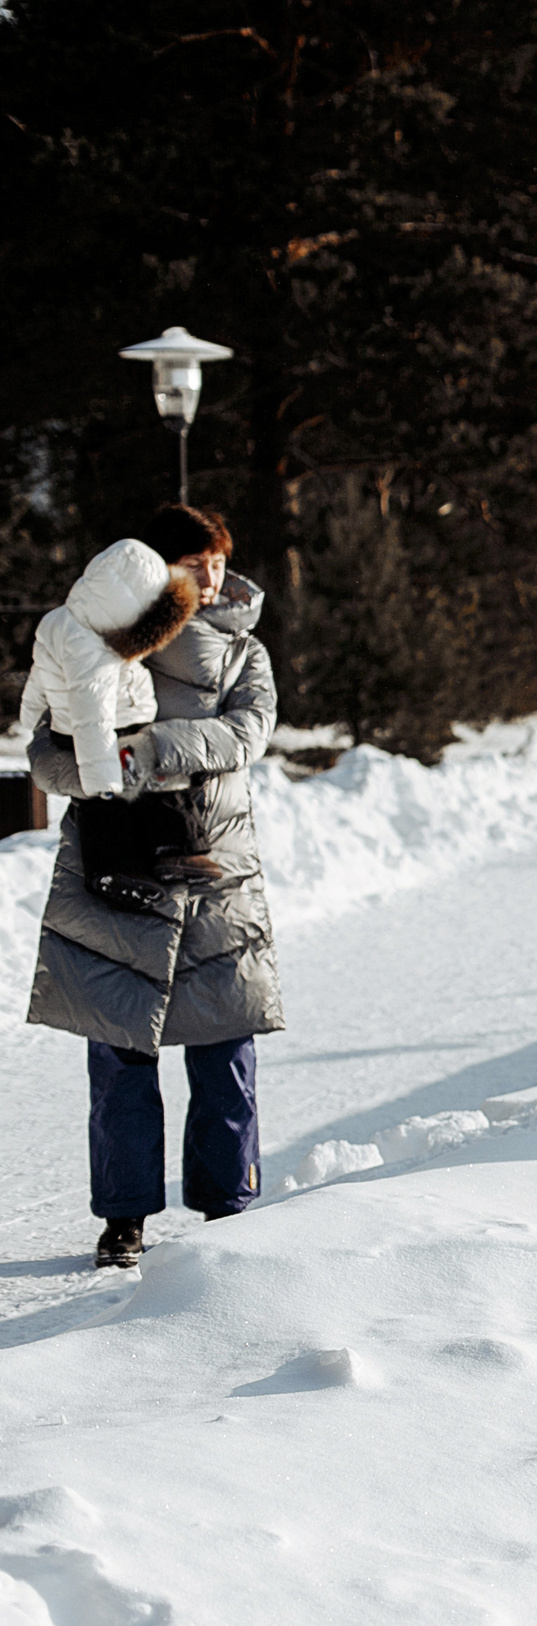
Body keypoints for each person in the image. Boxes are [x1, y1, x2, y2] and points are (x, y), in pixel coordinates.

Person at [23, 504, 285, 1269]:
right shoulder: (96, 636)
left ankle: (228, 1207)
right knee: (118, 1059)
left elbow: (250, 732)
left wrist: (145, 751)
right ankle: (124, 1217)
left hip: (213, 870)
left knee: (224, 1053)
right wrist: (98, 774)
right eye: (194, 562)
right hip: (112, 869)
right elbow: (44, 752)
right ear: (155, 568)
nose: (210, 577)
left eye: (217, 561)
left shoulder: (243, 650)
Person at [17, 537, 202, 911]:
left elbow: (39, 676)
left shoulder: (60, 621)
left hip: (98, 726)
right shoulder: (93, 652)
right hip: (99, 735)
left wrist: (31, 711)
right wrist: (102, 784)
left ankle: (169, 849)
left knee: (146, 782)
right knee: (110, 805)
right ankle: (113, 869)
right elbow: (92, 719)